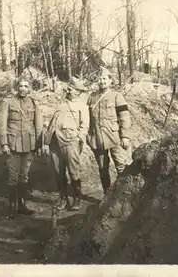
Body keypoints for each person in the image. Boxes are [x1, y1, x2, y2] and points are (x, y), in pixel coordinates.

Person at [0, 79, 43, 218]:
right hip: (13, 145)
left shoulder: (34, 103)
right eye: (20, 86)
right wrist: (4, 143)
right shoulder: (8, 102)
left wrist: (39, 145)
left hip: (29, 145)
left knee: (24, 176)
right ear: (16, 87)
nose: (23, 88)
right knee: (13, 177)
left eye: (26, 86)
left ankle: (22, 205)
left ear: (29, 88)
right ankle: (12, 207)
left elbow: (38, 125)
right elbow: (2, 124)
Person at [44, 77, 89, 211]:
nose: (68, 90)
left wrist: (78, 138)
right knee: (59, 171)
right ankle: (62, 198)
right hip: (55, 141)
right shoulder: (61, 104)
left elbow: (85, 126)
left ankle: (77, 198)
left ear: (78, 92)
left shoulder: (82, 106)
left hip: (70, 141)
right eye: (69, 88)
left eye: (71, 89)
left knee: (73, 170)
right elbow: (53, 122)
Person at [86, 67, 131, 195]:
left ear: (110, 81)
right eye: (99, 79)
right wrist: (88, 137)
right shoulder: (92, 97)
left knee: (121, 166)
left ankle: (124, 195)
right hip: (97, 138)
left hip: (114, 137)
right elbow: (86, 118)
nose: (101, 81)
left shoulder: (117, 96)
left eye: (104, 79)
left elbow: (124, 117)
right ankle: (107, 195)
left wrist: (125, 136)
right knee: (102, 168)